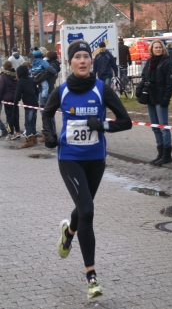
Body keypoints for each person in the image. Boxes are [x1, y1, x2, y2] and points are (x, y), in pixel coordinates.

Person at [42, 40, 132, 299]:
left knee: (84, 207)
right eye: (77, 57)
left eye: (86, 57)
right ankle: (91, 276)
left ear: (91, 61)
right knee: (88, 210)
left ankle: (68, 232)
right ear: (70, 63)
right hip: (69, 158)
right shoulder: (62, 91)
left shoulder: (102, 89)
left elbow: (125, 121)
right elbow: (47, 114)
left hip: (96, 159)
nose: (82, 61)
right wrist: (50, 135)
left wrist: (101, 125)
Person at [136, 40, 172, 165]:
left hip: (161, 98)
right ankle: (160, 152)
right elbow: (144, 78)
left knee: (163, 127)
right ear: (152, 49)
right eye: (155, 47)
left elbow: (170, 83)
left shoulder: (167, 62)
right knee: (155, 126)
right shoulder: (149, 62)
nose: (158, 49)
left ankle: (167, 154)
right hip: (150, 98)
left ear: (163, 49)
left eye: (159, 47)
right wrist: (139, 88)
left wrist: (166, 98)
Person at [33, 50, 61, 142]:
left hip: (48, 92)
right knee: (44, 112)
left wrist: (36, 79)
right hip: (44, 90)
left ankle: (51, 133)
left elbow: (44, 76)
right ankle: (47, 132)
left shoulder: (53, 66)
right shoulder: (49, 65)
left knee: (48, 113)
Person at [14, 65, 39, 148]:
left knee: (28, 122)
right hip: (35, 103)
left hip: (28, 104)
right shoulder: (31, 80)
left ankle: (29, 139)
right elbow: (37, 91)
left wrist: (16, 102)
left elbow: (17, 94)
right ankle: (34, 138)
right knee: (33, 121)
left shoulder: (21, 81)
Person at [0, 60, 20, 140]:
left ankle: (10, 133)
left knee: (9, 117)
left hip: (7, 99)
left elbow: (1, 88)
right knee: (16, 115)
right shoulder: (16, 75)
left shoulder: (3, 76)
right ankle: (17, 131)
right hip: (15, 98)